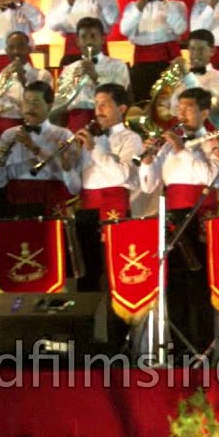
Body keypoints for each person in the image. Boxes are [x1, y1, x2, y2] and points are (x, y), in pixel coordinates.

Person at [137, 87, 219, 355]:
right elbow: (150, 185)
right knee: (174, 284)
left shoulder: (212, 140)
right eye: (179, 108)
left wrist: (182, 150)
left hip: (200, 218)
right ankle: (179, 350)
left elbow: (215, 178)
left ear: (204, 112)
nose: (181, 113)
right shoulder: (167, 145)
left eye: (188, 108)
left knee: (199, 285)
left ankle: (203, 347)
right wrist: (148, 159)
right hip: (173, 217)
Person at [74, 83, 143, 291]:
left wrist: (96, 149)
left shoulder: (131, 138)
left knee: (115, 270)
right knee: (87, 273)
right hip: (87, 208)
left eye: (104, 104)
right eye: (96, 104)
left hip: (114, 207)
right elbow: (79, 179)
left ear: (121, 109)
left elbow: (122, 175)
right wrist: (69, 163)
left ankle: (117, 322)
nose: (98, 110)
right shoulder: (90, 135)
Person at [0, 81, 80, 219]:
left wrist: (33, 148)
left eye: (36, 103)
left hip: (49, 201)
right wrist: (0, 165)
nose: (30, 108)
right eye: (26, 102)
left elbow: (72, 184)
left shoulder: (63, 135)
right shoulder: (9, 135)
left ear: (49, 106)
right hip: (15, 200)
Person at [54, 17, 130, 132]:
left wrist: (95, 77)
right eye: (84, 37)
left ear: (103, 38)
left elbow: (119, 96)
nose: (89, 41)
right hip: (76, 121)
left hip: (106, 120)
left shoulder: (117, 65)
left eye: (93, 36)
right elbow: (60, 102)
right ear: (77, 41)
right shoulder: (69, 69)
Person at [119, 0, 187, 95]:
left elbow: (180, 28)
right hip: (141, 64)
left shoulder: (177, 5)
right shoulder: (133, 6)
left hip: (169, 62)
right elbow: (124, 30)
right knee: (142, 101)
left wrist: (165, 0)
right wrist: (142, 3)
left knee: (169, 105)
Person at [0, 31, 53, 141]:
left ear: (29, 49)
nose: (16, 52)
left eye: (21, 46)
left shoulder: (43, 75)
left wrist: (23, 81)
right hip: (2, 131)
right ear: (6, 51)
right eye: (11, 48)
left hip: (31, 129)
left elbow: (43, 106)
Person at [168, 29, 219, 114]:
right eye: (192, 49)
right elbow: (171, 107)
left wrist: (186, 75)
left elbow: (204, 103)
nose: (196, 53)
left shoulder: (218, 77)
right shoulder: (180, 76)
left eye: (201, 49)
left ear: (212, 51)